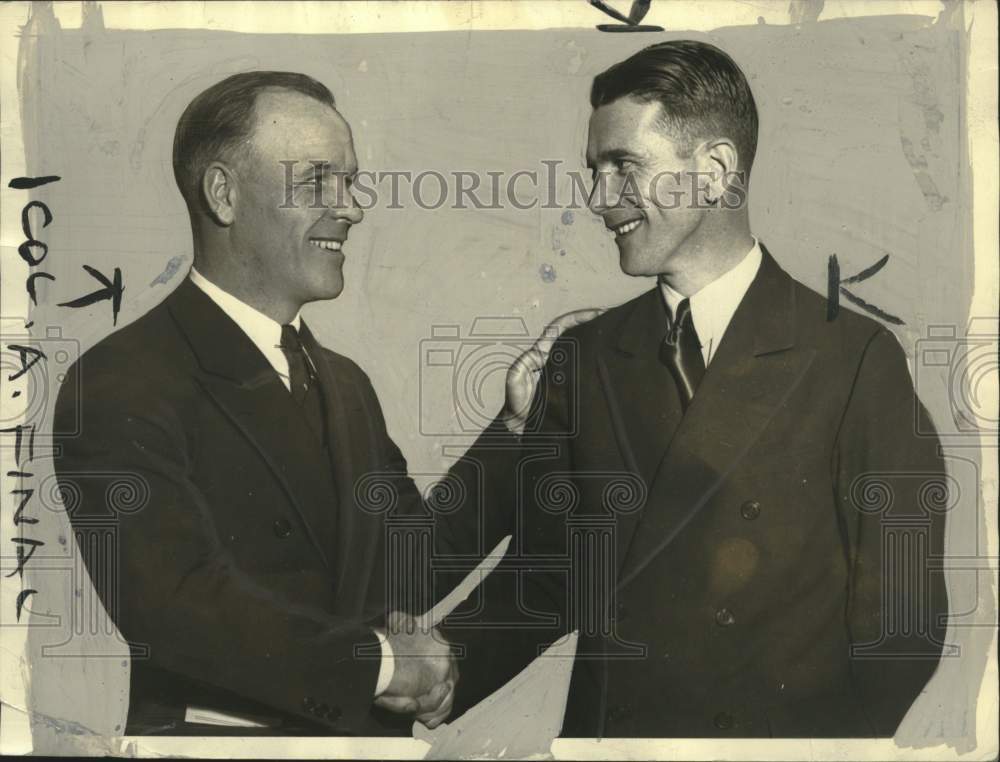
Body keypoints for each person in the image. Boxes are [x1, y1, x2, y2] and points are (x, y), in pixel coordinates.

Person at [441, 40, 950, 739]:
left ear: (713, 172)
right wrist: (437, 676)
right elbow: (549, 578)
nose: (597, 199)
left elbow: (903, 623)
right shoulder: (584, 356)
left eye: (624, 166)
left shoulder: (854, 359)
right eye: (595, 171)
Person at [54, 71, 480, 736]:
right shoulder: (119, 381)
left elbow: (407, 569)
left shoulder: (346, 386)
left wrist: (520, 427)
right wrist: (383, 665)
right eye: (317, 181)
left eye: (349, 180)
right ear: (223, 195)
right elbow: (175, 606)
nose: (351, 208)